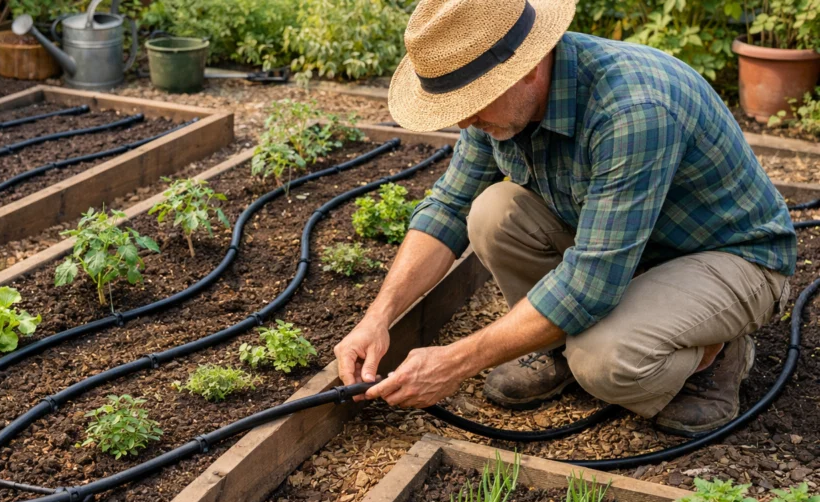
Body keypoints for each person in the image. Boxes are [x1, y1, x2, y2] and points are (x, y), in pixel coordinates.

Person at [334, 0, 795, 436]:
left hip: (729, 257)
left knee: (603, 362)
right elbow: (448, 208)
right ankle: (557, 342)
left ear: (527, 67)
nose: (464, 121)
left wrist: (456, 362)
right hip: (626, 250)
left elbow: (591, 281)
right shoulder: (498, 107)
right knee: (492, 211)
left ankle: (720, 351)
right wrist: (378, 319)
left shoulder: (633, 109)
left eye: (471, 104)